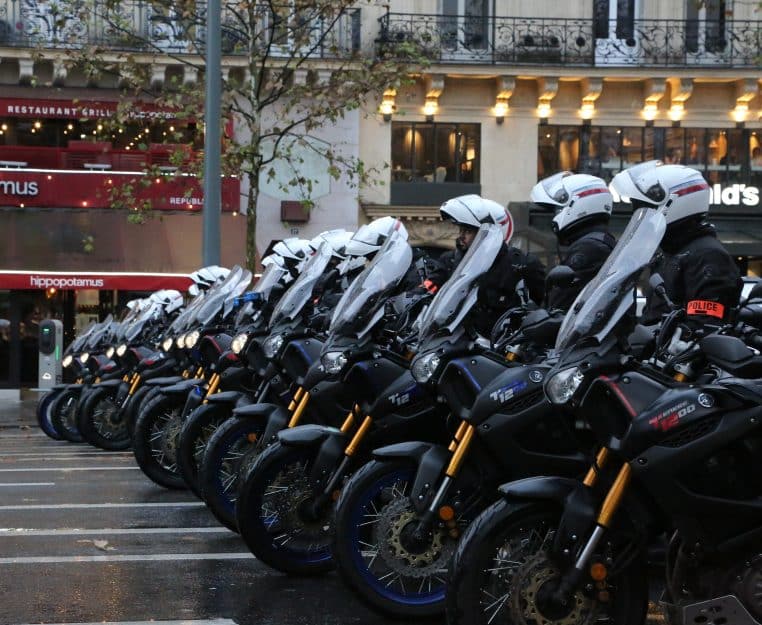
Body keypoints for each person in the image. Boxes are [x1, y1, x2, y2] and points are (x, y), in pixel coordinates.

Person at [610, 160, 742, 326]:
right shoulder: (672, 252)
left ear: (673, 203)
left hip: (680, 352)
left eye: (646, 207)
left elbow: (702, 328)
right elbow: (654, 317)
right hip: (653, 351)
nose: (641, 215)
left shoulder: (707, 256)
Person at [439, 194, 546, 335]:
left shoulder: (520, 264)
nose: (461, 236)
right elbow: (431, 287)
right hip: (455, 341)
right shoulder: (450, 260)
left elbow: (546, 304)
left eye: (468, 231)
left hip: (499, 348)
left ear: (491, 232)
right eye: (461, 230)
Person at [530, 172, 616, 312]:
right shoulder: (602, 241)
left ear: (578, 204)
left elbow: (560, 305)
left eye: (558, 209)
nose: (554, 217)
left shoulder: (589, 249)